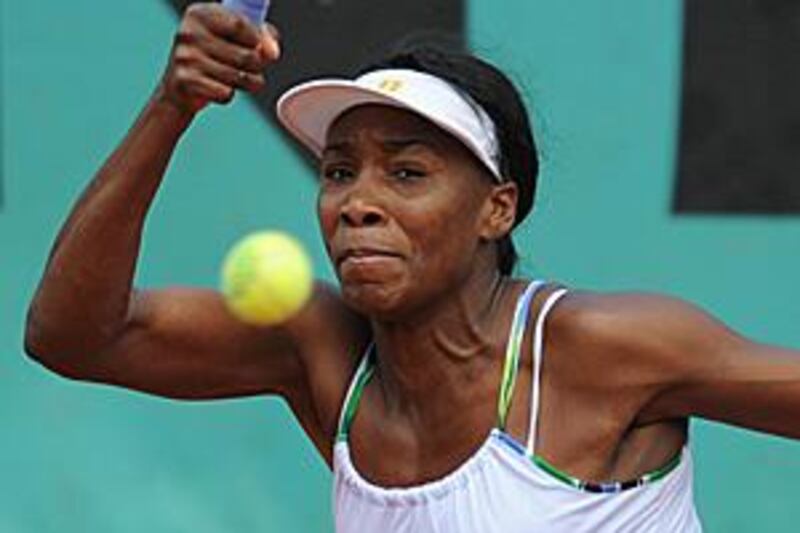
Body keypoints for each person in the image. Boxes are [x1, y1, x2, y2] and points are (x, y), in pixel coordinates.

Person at [23, 4, 800, 532]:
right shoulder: (322, 351)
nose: (357, 202)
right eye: (338, 172)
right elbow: (72, 336)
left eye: (406, 173)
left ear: (496, 210)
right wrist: (173, 104)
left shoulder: (607, 348)